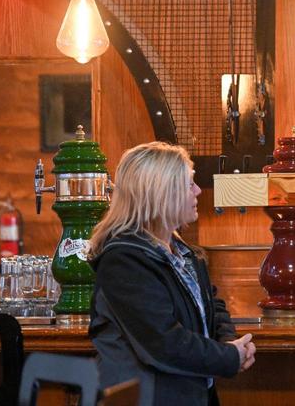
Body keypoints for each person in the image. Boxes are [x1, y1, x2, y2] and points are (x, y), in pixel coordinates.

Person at [88, 142, 256, 406]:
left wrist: (229, 340)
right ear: (162, 193)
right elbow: (163, 343)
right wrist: (228, 357)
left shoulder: (183, 252)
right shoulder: (123, 260)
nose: (199, 191)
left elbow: (212, 304)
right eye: (190, 184)